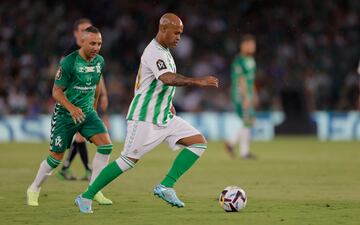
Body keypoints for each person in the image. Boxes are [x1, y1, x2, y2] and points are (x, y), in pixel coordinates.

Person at [74, 13, 219, 214]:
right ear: (163, 29)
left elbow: (152, 83)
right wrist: (198, 81)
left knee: (198, 142)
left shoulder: (165, 51)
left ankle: (166, 186)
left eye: (181, 34)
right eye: (176, 33)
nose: (179, 37)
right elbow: (167, 78)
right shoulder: (154, 51)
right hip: (144, 118)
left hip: (164, 116)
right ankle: (86, 196)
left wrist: (167, 102)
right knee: (127, 161)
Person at [26, 26, 113, 206]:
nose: (96, 47)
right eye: (92, 43)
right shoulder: (69, 62)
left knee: (106, 146)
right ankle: (34, 188)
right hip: (66, 115)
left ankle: (94, 190)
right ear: (82, 42)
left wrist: (94, 108)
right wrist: (71, 108)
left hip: (87, 113)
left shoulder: (99, 61)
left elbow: (96, 84)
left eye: (99, 44)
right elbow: (56, 92)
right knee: (55, 158)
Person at [57, 18, 110, 181]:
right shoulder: (70, 54)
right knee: (76, 138)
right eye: (81, 29)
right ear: (75, 33)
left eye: (87, 29)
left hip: (87, 99)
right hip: (72, 102)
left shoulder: (92, 52)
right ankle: (83, 169)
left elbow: (98, 75)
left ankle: (70, 168)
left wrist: (103, 94)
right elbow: (62, 80)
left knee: (80, 137)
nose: (84, 32)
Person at [225, 34, 258, 159]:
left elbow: (251, 80)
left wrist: (254, 94)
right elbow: (241, 80)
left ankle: (232, 144)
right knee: (248, 121)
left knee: (249, 121)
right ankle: (243, 151)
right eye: (251, 45)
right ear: (244, 45)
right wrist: (245, 97)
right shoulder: (239, 60)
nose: (253, 47)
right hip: (239, 94)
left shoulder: (251, 60)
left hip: (247, 94)